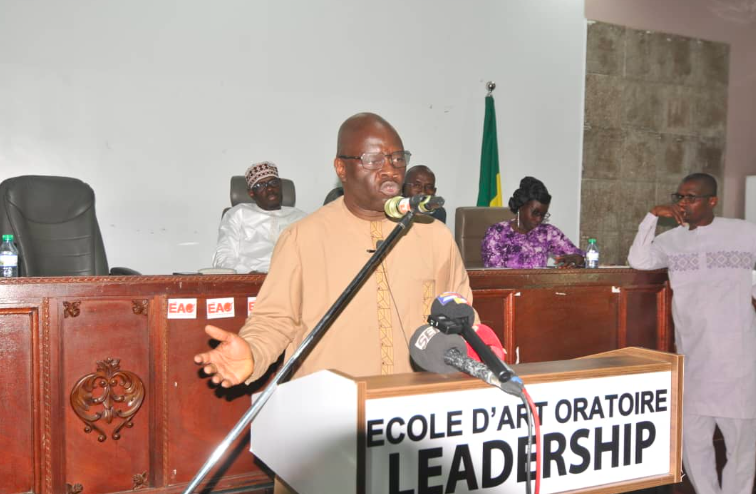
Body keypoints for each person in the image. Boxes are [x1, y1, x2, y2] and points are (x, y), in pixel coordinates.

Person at [628, 173, 756, 494]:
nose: (683, 203)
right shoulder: (672, 241)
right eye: (680, 197)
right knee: (693, 441)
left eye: (692, 197)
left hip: (737, 359)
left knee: (742, 446)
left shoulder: (744, 233)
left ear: (712, 201)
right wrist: (652, 217)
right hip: (693, 357)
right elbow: (639, 260)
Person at [212, 162, 307, 273]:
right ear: (251, 193)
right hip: (250, 278)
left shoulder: (301, 218)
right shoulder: (238, 214)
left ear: (280, 185)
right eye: (260, 185)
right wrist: (247, 275)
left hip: (292, 277)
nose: (270, 188)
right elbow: (224, 257)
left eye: (273, 182)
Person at [481, 176, 584, 268]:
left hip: (541, 284)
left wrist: (578, 259)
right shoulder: (497, 233)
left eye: (543, 215)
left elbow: (583, 259)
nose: (539, 219)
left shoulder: (547, 233)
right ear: (521, 206)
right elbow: (494, 275)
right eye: (535, 213)